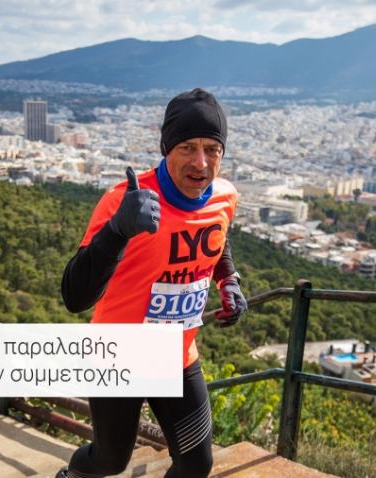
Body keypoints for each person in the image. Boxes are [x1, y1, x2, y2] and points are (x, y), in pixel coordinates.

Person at [58, 88, 247, 478]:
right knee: (109, 461)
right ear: (166, 149)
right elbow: (75, 296)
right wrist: (117, 230)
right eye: (187, 148)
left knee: (196, 463)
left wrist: (229, 278)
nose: (201, 162)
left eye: (212, 149)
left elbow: (218, 236)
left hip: (177, 355)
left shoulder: (225, 197)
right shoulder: (124, 201)